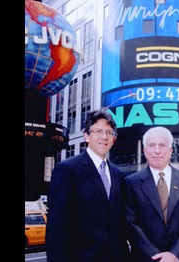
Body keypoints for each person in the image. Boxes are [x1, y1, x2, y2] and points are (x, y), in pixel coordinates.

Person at [45, 109, 130, 262]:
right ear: (86, 136)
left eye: (109, 133)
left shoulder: (118, 175)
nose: (104, 137)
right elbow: (56, 229)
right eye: (98, 131)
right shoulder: (67, 170)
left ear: (113, 139)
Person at [124, 126, 179, 262]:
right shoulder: (131, 183)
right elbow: (130, 224)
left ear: (170, 150)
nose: (157, 151)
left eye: (162, 145)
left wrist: (175, 254)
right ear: (144, 150)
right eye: (152, 145)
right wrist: (156, 257)